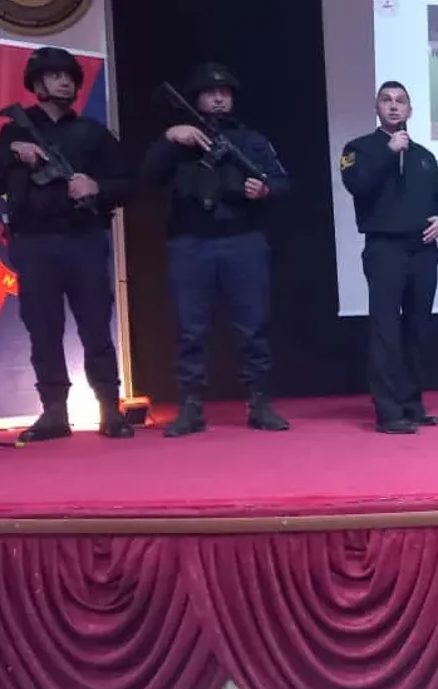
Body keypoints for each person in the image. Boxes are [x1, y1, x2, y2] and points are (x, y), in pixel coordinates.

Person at [0, 46, 135, 442]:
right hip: (33, 242)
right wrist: (14, 153)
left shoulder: (92, 133)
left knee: (96, 328)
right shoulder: (14, 132)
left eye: (69, 76)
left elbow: (129, 184)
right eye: (55, 75)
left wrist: (96, 186)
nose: (65, 82)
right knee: (43, 329)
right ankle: (54, 413)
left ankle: (109, 409)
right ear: (37, 83)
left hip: (83, 239)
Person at [140, 62, 291, 436]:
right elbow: (147, 176)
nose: (219, 98)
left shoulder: (250, 140)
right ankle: (191, 406)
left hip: (243, 240)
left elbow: (282, 182)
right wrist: (169, 138)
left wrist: (265, 190)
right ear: (197, 98)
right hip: (190, 242)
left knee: (253, 327)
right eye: (211, 93)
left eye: (225, 93)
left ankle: (259, 402)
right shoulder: (180, 141)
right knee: (190, 330)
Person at [339, 81, 438, 434]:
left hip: (423, 250)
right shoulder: (359, 148)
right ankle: (388, 411)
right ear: (377, 108)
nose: (393, 106)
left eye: (400, 101)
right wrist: (388, 152)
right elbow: (357, 185)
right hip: (385, 249)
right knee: (386, 330)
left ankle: (411, 403)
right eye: (386, 100)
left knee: (417, 329)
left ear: (410, 110)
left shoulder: (423, 156)